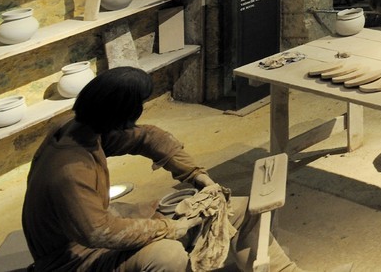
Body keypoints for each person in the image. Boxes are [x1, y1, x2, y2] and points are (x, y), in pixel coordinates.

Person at [22, 66, 303, 272]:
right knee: (168, 256)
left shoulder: (84, 128)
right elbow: (98, 232)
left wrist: (197, 176)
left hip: (97, 230)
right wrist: (168, 227)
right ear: (121, 114)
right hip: (75, 260)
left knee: (238, 209)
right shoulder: (70, 171)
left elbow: (147, 138)